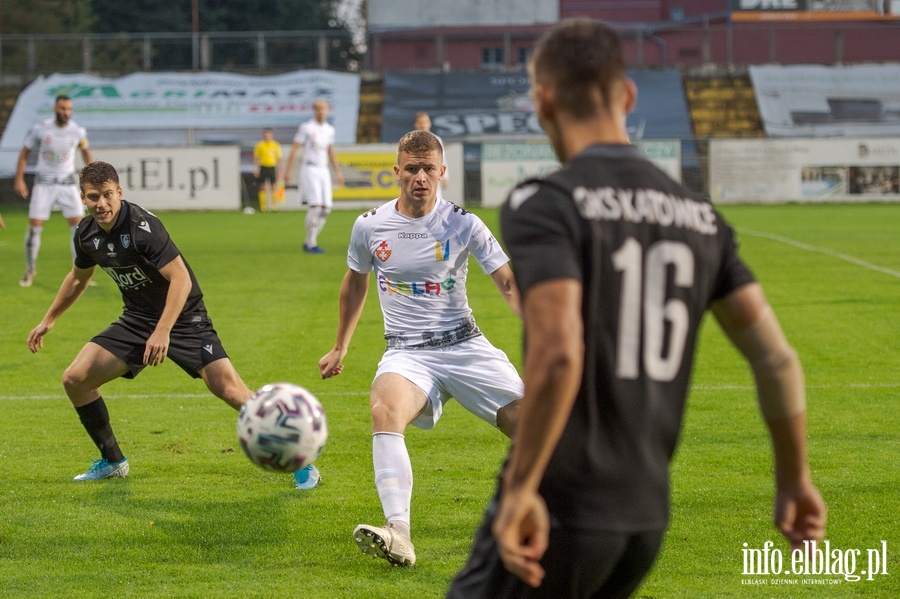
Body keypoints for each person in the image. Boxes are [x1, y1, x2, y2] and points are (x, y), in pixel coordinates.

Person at [448, 19, 827, 598]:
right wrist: (794, 477)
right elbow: (776, 360)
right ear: (626, 96)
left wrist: (523, 487)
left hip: (561, 505)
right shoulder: (701, 218)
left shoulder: (546, 203)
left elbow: (556, 355)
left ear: (542, 102)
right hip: (645, 517)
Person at [24, 160, 323, 489]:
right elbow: (78, 279)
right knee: (76, 379)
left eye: (108, 195)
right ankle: (112, 460)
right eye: (94, 196)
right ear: (83, 198)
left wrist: (163, 331)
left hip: (185, 318)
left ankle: (301, 461)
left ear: (119, 192)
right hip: (138, 318)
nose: (102, 203)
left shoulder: (141, 227)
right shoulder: (87, 235)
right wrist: (48, 320)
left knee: (230, 391)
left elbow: (180, 279)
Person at [318, 130, 523, 567]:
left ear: (442, 173)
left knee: (532, 428)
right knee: (383, 410)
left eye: (429, 169)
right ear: (396, 172)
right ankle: (398, 533)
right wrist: (340, 346)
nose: (420, 178)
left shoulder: (464, 222)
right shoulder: (370, 225)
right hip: (407, 352)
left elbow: (508, 281)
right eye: (411, 169)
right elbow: (354, 283)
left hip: (465, 344)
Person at [14, 94, 93, 287]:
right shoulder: (41, 129)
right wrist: (19, 179)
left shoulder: (77, 131)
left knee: (79, 229)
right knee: (35, 228)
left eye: (68, 109)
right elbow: (24, 153)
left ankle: (79, 273)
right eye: (62, 108)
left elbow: (85, 150)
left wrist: (92, 178)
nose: (65, 112)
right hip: (44, 184)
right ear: (55, 109)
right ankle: (30, 271)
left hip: (67, 184)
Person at [284, 98, 344, 254]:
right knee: (316, 206)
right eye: (318, 108)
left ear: (327, 110)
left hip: (323, 169)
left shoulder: (329, 129)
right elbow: (294, 148)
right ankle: (311, 243)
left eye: (323, 108)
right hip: (310, 168)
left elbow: (330, 151)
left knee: (326, 208)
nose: (321, 111)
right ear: (314, 110)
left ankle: (309, 240)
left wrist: (337, 171)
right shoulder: (306, 127)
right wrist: (288, 170)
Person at [413, 111, 449, 193]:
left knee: (435, 199)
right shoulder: (411, 140)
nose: (423, 125)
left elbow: (442, 159)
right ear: (416, 124)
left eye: (425, 122)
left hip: (432, 175)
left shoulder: (436, 140)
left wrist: (445, 177)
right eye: (420, 123)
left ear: (429, 124)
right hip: (416, 176)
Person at [253, 128, 283, 212]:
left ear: (271, 135)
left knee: (273, 186)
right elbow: (256, 157)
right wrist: (256, 168)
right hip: (263, 166)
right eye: (266, 134)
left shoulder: (275, 145)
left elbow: (279, 158)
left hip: (272, 167)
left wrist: (279, 170)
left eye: (269, 134)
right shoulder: (260, 145)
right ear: (264, 135)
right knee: (262, 186)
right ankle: (263, 207)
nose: (267, 136)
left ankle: (274, 206)